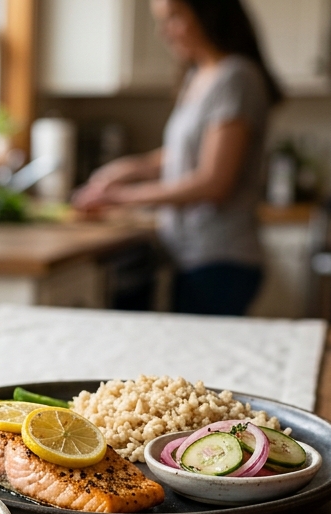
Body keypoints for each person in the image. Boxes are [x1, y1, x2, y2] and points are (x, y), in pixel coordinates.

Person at [73, 0, 282, 316]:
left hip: (221, 258)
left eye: (173, 18)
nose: (163, 32)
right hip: (191, 254)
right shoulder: (199, 76)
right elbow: (185, 153)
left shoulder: (235, 78)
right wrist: (129, 169)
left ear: (208, 13)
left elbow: (214, 182)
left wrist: (123, 197)